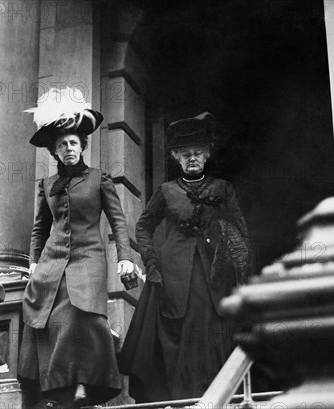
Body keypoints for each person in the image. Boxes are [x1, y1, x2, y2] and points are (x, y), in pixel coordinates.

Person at [118, 112, 253, 401]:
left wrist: (240, 272)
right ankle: (181, 400)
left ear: (206, 156)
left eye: (197, 153)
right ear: (177, 158)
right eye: (185, 154)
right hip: (173, 273)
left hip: (215, 273)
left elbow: (240, 230)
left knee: (214, 331)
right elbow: (143, 226)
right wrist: (151, 262)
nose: (192, 158)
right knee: (178, 335)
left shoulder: (222, 188)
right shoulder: (166, 191)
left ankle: (217, 398)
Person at [18, 87, 136, 407]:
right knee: (47, 320)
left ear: (82, 145)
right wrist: (32, 263)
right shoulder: (46, 186)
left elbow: (118, 222)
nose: (69, 148)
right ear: (55, 152)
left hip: (89, 259)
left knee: (83, 319)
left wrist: (125, 257)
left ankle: (89, 383)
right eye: (62, 145)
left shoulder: (101, 179)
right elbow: (40, 228)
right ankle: (60, 390)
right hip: (51, 263)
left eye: (73, 143)